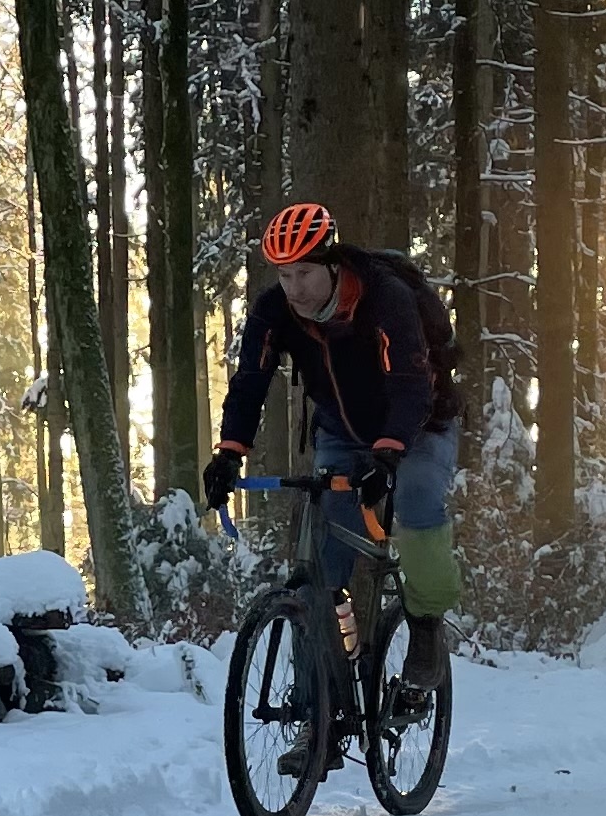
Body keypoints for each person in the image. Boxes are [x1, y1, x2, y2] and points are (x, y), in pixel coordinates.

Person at [198, 201, 464, 696]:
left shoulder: (385, 298)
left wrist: (388, 455)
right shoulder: (274, 309)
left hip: (422, 423)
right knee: (321, 565)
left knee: (418, 495)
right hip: (341, 431)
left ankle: (425, 624)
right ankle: (315, 711)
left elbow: (410, 385)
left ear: (332, 263)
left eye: (304, 273)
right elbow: (251, 381)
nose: (293, 287)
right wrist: (229, 453)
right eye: (284, 275)